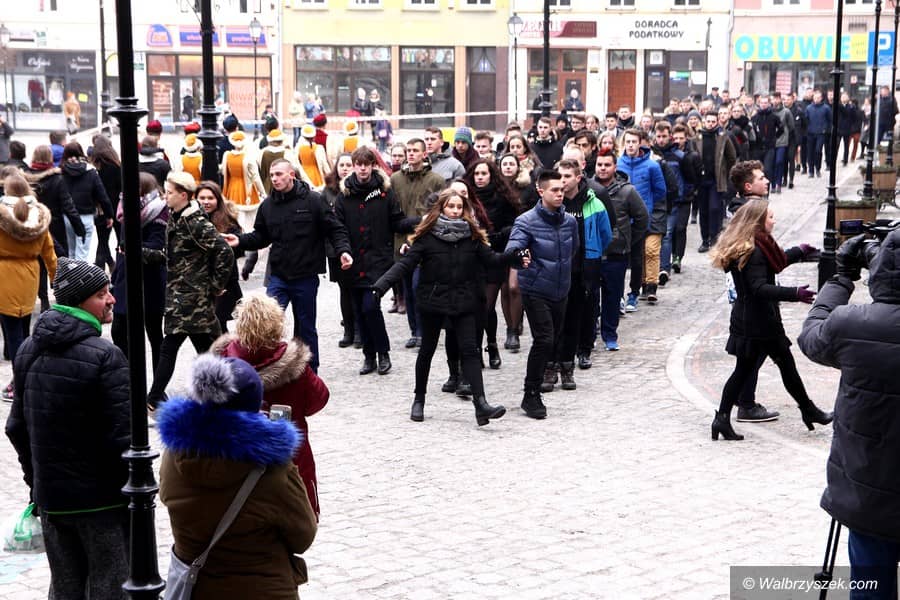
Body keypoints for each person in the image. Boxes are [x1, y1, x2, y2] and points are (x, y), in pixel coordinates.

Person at [6, 257, 130, 599]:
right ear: (79, 301)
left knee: (65, 588)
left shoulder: (27, 349)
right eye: (102, 294)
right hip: (101, 503)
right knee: (110, 587)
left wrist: (37, 483)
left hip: (53, 502)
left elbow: (16, 428)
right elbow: (123, 438)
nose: (112, 299)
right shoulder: (106, 356)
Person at [157, 354, 317, 599]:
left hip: (198, 589)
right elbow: (303, 536)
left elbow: (168, 498)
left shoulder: (174, 455)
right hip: (263, 589)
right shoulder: (271, 468)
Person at [798, 231, 900, 597]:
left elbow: (811, 335)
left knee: (870, 589)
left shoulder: (851, 324)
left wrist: (841, 278)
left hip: (867, 488)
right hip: (868, 491)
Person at [374, 187, 525, 424]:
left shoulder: (472, 236)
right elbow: (405, 264)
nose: (455, 211)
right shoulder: (427, 237)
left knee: (470, 351)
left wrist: (513, 257)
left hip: (464, 301)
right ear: (442, 209)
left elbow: (492, 259)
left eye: (459, 207)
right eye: (451, 206)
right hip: (433, 301)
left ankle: (481, 404)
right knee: (427, 350)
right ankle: (419, 399)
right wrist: (381, 286)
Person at [708, 199, 831, 441]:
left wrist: (799, 251)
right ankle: (807, 410)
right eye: (770, 217)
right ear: (758, 221)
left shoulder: (756, 245)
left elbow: (775, 263)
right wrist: (794, 293)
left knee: (771, 366)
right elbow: (758, 287)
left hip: (753, 318)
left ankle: (723, 418)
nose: (774, 221)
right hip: (758, 322)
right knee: (756, 368)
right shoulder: (753, 250)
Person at [224, 159, 353, 373]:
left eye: (279, 174)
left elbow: (335, 229)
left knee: (306, 328)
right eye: (272, 175)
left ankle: (309, 372)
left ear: (291, 175)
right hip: (279, 276)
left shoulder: (313, 200)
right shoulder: (268, 205)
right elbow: (261, 236)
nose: (274, 179)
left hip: (306, 275)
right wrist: (240, 241)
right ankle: (268, 370)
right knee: (266, 324)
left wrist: (343, 251)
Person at [211, 292, 329, 518]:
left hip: (238, 461)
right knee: (296, 520)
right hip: (290, 461)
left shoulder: (221, 362)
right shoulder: (294, 365)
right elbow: (318, 399)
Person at [146, 172, 235, 411]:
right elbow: (173, 256)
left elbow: (224, 251)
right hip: (181, 297)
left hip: (193, 300)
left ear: (183, 195)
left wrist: (215, 285)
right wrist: (143, 254)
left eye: (170, 192)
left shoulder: (196, 222)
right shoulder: (176, 217)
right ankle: (219, 397)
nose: (166, 196)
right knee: (206, 350)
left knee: (174, 346)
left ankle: (154, 397)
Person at [334, 146, 416, 376]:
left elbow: (397, 222)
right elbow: (338, 229)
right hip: (352, 262)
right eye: (358, 165)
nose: (362, 169)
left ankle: (383, 353)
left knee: (371, 307)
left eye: (366, 165)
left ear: (373, 166)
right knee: (360, 312)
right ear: (353, 167)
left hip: (378, 261)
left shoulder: (384, 193)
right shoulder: (344, 196)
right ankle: (369, 356)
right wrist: (343, 251)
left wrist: (419, 222)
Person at [505, 170, 578, 420]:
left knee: (553, 338)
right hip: (535, 289)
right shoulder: (526, 221)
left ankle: (537, 386)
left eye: (562, 190)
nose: (560, 194)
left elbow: (573, 250)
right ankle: (531, 393)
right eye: (554, 190)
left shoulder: (570, 222)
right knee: (544, 339)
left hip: (560, 288)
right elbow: (513, 248)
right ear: (541, 191)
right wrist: (520, 255)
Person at [548, 159, 613, 389]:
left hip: (583, 267)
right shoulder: (552, 203)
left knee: (580, 315)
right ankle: (552, 364)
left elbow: (606, 233)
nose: (563, 181)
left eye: (567, 176)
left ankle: (575, 358)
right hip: (556, 270)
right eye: (560, 176)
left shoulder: (594, 202)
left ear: (578, 178)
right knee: (555, 320)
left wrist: (593, 252)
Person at [0, 174, 57, 400]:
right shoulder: (40, 217)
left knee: (12, 333)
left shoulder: (2, 216)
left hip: (4, 275)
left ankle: (20, 382)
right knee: (24, 331)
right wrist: (55, 278)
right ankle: (26, 377)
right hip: (30, 275)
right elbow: (49, 253)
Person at [391, 138, 445, 349]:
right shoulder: (396, 179)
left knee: (418, 287)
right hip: (401, 240)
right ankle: (414, 331)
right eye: (409, 150)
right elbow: (391, 210)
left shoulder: (436, 180)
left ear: (424, 154)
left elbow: (439, 210)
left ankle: (424, 331)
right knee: (407, 289)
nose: (411, 153)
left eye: (415, 150)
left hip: (426, 241)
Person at [110, 172, 167, 371]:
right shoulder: (127, 209)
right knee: (119, 330)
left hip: (149, 280)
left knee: (154, 333)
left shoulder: (158, 211)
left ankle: (157, 384)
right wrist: (116, 275)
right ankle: (128, 376)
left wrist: (132, 248)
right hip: (125, 277)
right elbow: (121, 246)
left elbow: (158, 246)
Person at [593, 149, 648, 351]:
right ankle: (589, 334)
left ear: (615, 167)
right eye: (599, 164)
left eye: (607, 165)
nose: (603, 168)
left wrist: (628, 240)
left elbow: (642, 217)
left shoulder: (627, 191)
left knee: (612, 296)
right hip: (591, 253)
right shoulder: (587, 188)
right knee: (590, 297)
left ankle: (610, 335)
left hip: (616, 253)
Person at [618, 128, 666, 308]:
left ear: (640, 143)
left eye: (634, 142)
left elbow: (660, 190)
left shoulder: (652, 166)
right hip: (622, 217)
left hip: (642, 217)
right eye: (628, 142)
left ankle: (637, 291)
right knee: (622, 258)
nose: (630, 145)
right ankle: (620, 294)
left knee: (641, 255)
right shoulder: (618, 163)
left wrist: (647, 206)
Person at [196, 181, 244, 333]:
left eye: (210, 198)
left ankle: (224, 348)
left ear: (218, 200)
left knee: (218, 324)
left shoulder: (227, 221)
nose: (206, 202)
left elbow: (239, 250)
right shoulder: (191, 220)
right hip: (199, 281)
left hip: (224, 281)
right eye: (202, 198)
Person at [60, 141, 113, 262]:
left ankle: (71, 273)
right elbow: (102, 196)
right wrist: (109, 214)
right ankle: (80, 274)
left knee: (70, 252)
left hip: (67, 216)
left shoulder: (61, 171)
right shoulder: (91, 172)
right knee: (82, 254)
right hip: (86, 215)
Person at [696, 111, 737, 253]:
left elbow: (732, 157)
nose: (711, 124)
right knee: (703, 211)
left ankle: (714, 238)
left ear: (717, 122)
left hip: (716, 180)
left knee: (714, 208)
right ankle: (705, 239)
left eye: (713, 121)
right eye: (708, 121)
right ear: (704, 122)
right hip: (701, 180)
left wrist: (725, 174)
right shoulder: (698, 137)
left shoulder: (722, 136)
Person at [90, 135, 122, 273]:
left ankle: (102, 267)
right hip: (117, 206)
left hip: (100, 208)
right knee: (120, 238)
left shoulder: (95, 167)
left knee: (102, 240)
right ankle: (116, 265)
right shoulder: (116, 165)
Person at [805, 90, 831, 179]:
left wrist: (825, 129)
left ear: (821, 98)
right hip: (810, 133)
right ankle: (811, 171)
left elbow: (829, 120)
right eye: (815, 97)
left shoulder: (826, 108)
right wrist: (807, 129)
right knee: (810, 152)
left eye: (818, 98)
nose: (816, 99)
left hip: (821, 133)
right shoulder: (809, 108)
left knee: (818, 151)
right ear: (813, 98)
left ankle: (818, 168)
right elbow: (806, 120)